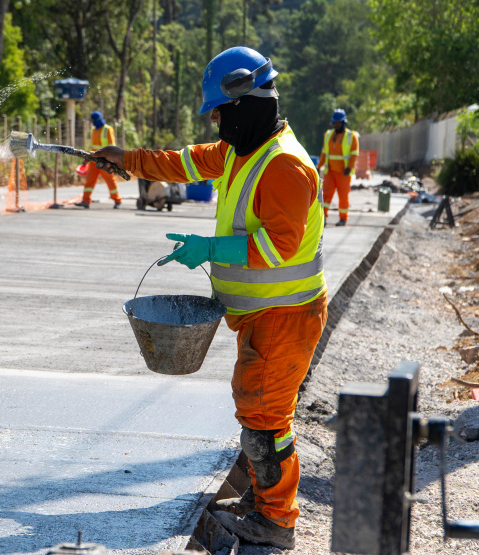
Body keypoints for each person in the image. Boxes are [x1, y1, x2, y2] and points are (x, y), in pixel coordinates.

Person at [92, 46, 328, 550]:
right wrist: (128, 160)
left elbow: (279, 247)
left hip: (285, 316)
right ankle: (263, 501)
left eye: (218, 111)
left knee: (265, 419)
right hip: (263, 315)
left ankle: (277, 521)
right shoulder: (244, 150)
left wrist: (209, 247)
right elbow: (186, 162)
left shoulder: (284, 166)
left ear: (246, 98)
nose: (216, 121)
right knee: (255, 409)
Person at [316, 109, 360, 226]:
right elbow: (324, 152)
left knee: (343, 196)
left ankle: (343, 218)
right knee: (325, 195)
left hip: (343, 173)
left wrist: (349, 168)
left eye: (338, 123)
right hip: (330, 171)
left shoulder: (352, 136)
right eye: (335, 123)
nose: (336, 125)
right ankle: (322, 218)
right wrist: (319, 166)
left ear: (344, 122)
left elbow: (354, 154)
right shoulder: (328, 135)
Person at [74, 111, 122, 209]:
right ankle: (85, 201)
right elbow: (92, 146)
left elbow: (112, 146)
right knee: (89, 181)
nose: (93, 122)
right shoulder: (94, 130)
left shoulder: (107, 129)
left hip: (105, 162)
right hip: (93, 161)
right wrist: (86, 158)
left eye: (94, 120)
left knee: (110, 181)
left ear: (99, 120)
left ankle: (117, 201)